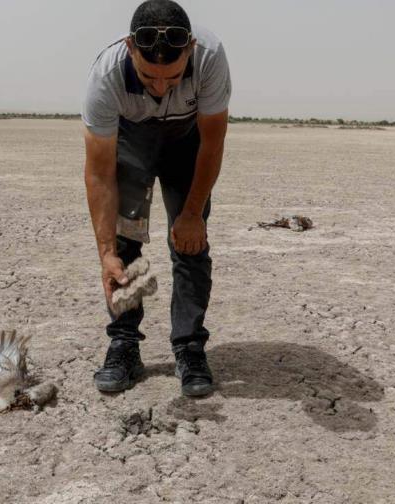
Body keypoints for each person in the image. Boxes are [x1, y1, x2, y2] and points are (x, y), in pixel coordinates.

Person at [81, 0, 231, 397]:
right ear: (130, 47)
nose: (162, 88)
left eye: (173, 77)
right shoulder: (107, 74)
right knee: (126, 243)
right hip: (133, 140)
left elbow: (213, 143)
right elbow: (98, 172)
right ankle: (124, 345)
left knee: (189, 244)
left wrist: (193, 213)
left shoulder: (211, 57)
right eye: (149, 78)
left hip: (188, 142)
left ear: (191, 49)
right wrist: (105, 252)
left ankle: (189, 348)